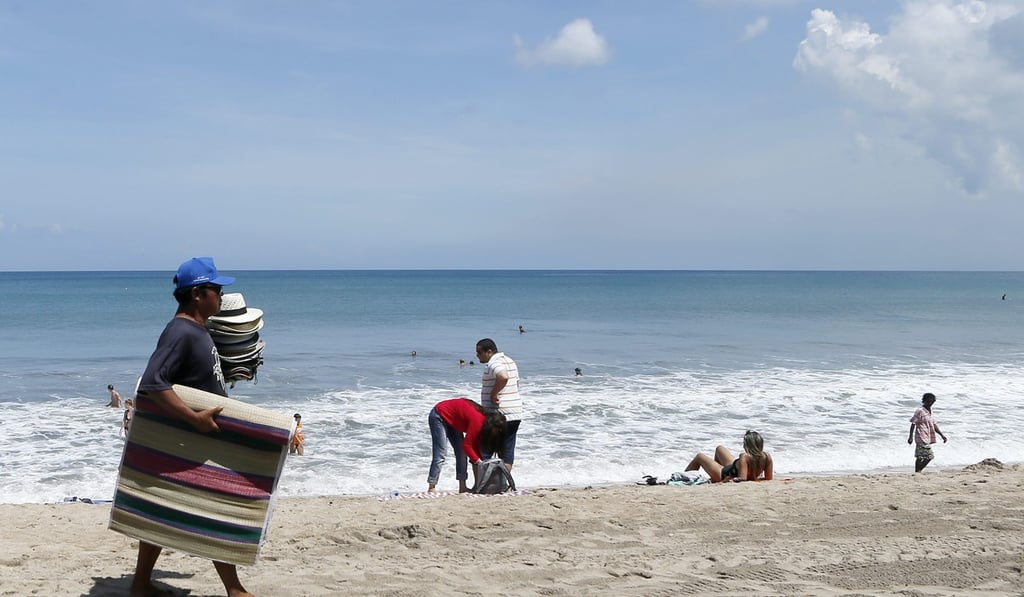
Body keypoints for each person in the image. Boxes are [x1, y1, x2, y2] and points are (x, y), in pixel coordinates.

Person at [128, 257, 255, 597]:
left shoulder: (197, 331)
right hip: (192, 441)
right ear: (198, 294)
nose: (221, 295)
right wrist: (194, 419)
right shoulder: (181, 331)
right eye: (216, 289)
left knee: (162, 511)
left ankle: (141, 585)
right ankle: (234, 588)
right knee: (213, 510)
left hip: (196, 439)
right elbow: (153, 384)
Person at [427, 398, 506, 493]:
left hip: (454, 420)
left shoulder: (483, 423)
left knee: (461, 454)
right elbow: (467, 445)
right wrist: (479, 462)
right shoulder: (478, 421)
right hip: (439, 414)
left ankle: (462, 487)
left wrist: (477, 461)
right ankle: (432, 486)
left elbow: (474, 446)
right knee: (440, 454)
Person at [475, 338, 522, 472]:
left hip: (498, 414)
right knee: (507, 450)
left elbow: (503, 377)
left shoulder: (494, 362)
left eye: (479, 352)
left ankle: (486, 483)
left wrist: (493, 394)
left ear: (489, 352)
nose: (477, 355)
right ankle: (503, 482)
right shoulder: (510, 361)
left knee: (485, 449)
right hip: (515, 412)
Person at [685, 430, 774, 483]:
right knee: (719, 449)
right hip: (732, 468)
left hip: (723, 474)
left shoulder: (745, 457)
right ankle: (713, 476)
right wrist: (754, 478)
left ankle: (684, 478)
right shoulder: (767, 457)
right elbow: (768, 479)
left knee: (699, 456)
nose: (743, 446)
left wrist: (725, 481)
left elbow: (742, 479)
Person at [908, 392, 947, 472]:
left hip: (927, 436)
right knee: (928, 456)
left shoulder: (930, 412)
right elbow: (913, 423)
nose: (930, 403)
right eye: (928, 401)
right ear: (924, 401)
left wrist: (942, 435)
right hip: (920, 435)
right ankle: (918, 471)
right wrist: (910, 437)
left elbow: (934, 425)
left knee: (921, 456)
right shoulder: (920, 411)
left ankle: (918, 471)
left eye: (932, 402)